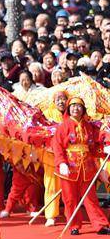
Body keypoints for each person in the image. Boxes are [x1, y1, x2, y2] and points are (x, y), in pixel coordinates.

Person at [51, 96, 110, 235]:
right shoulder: (63, 126)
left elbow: (94, 147)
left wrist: (105, 149)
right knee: (70, 198)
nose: (75, 108)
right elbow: (57, 146)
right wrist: (62, 163)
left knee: (91, 198)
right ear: (68, 109)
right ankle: (74, 225)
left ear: (83, 109)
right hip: (69, 167)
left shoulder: (89, 126)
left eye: (78, 106)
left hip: (87, 167)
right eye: (73, 106)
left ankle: (100, 224)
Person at [40, 91, 67, 226]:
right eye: (58, 99)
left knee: (68, 187)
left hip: (69, 158)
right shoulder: (47, 114)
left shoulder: (72, 113)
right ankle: (51, 215)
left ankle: (70, 212)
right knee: (51, 187)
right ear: (54, 101)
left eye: (63, 99)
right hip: (51, 156)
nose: (61, 102)